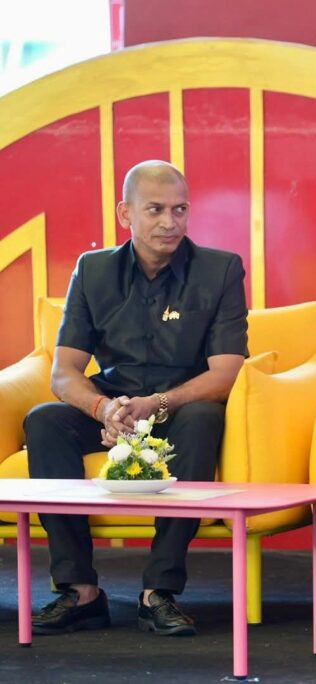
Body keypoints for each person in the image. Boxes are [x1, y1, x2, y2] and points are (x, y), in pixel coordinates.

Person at [25, 160, 248, 637]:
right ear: (126, 213)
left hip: (180, 405)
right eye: (156, 210)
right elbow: (64, 373)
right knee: (45, 420)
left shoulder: (220, 270)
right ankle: (80, 591)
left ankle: (158, 592)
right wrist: (103, 409)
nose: (170, 222)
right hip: (115, 404)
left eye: (180, 209)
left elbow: (226, 373)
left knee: (204, 418)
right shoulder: (93, 270)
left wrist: (158, 403)